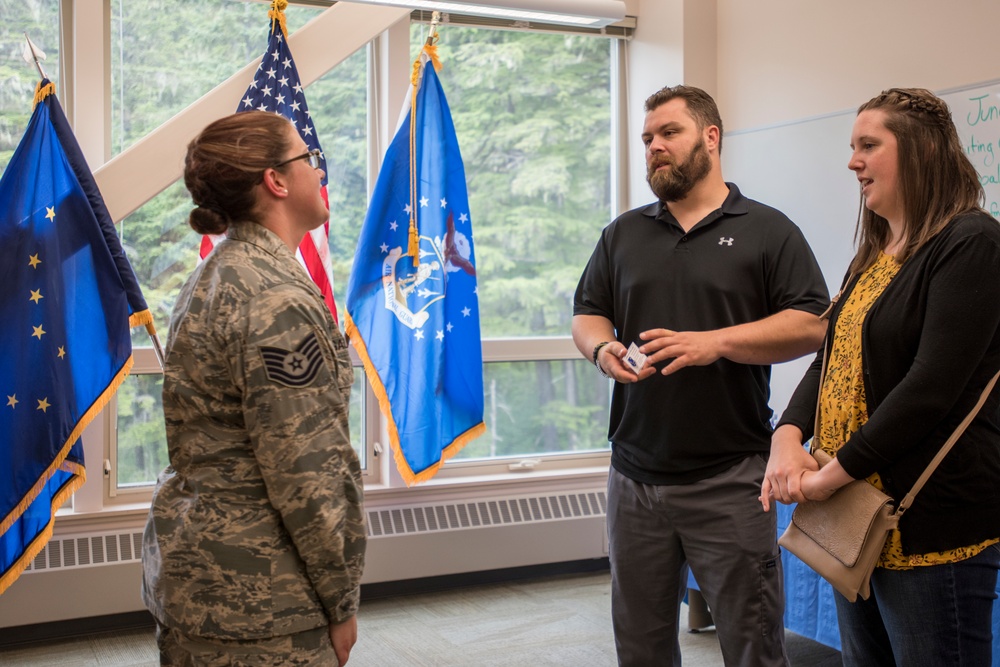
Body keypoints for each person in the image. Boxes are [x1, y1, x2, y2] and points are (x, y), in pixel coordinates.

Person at [573, 85, 829, 666]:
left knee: (752, 647)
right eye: (647, 139)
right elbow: (587, 312)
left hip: (731, 479)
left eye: (669, 133)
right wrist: (601, 349)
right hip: (634, 478)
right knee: (640, 648)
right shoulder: (624, 233)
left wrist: (716, 343)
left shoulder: (768, 230)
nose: (654, 148)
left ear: (711, 138)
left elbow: (813, 323)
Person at [761, 88, 1000, 666]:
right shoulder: (876, 251)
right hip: (856, 521)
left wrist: (829, 478)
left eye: (869, 145)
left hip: (927, 524)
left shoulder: (973, 243)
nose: (852, 162)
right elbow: (831, 358)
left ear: (919, 151)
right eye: (852, 147)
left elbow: (929, 390)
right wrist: (787, 437)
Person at [141, 111, 366, 666]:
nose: (319, 173)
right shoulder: (275, 298)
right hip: (262, 604)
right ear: (277, 180)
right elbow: (306, 470)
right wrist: (340, 601)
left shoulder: (215, 275)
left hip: (204, 582)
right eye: (309, 160)